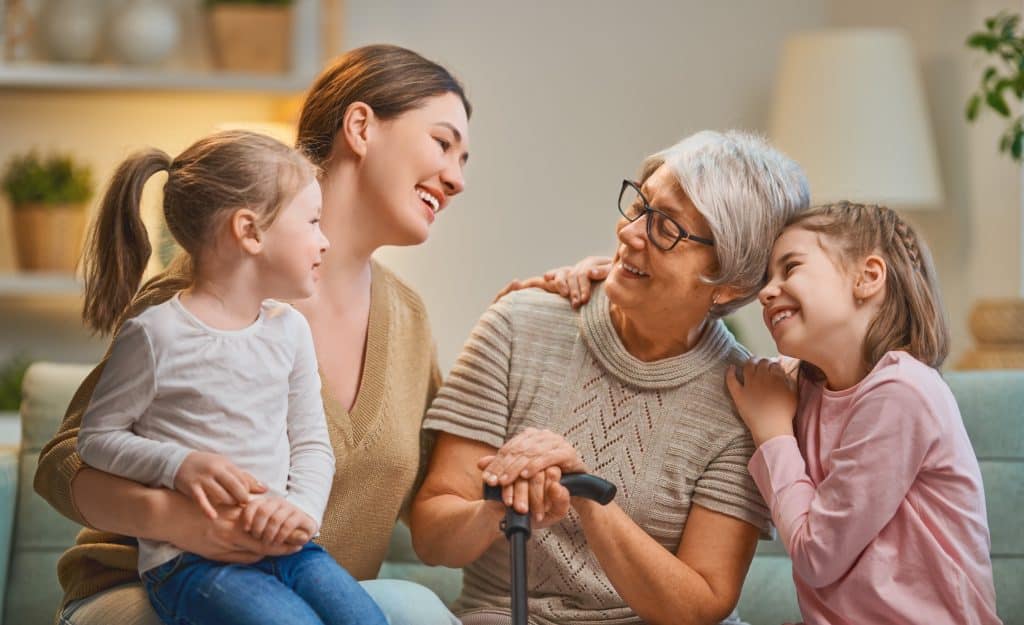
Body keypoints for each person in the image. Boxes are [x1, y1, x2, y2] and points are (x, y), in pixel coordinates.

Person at [35, 44, 473, 625]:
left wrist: (551, 300)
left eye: (464, 159)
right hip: (154, 590)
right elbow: (64, 461)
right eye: (444, 144)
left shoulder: (408, 318)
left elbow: (436, 492)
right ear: (361, 127)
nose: (457, 178)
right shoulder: (208, 291)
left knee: (417, 609)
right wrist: (187, 522)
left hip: (304, 585)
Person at [410, 130, 810, 625]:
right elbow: (430, 536)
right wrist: (505, 504)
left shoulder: (745, 400)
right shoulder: (519, 324)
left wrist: (587, 496)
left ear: (730, 285)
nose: (630, 233)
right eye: (640, 205)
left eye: (667, 229)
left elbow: (700, 607)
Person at [72, 129, 388, 625]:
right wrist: (179, 465)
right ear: (250, 231)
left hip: (287, 548)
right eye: (311, 222)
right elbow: (96, 440)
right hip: (186, 564)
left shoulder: (289, 332)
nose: (324, 241)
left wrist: (300, 511)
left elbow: (311, 444)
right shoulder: (155, 333)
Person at [726, 202, 1001, 625]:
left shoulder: (903, 391)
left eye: (790, 267)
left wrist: (773, 434)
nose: (765, 291)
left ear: (868, 277)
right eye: (766, 279)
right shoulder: (807, 388)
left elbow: (817, 556)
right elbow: (721, 371)